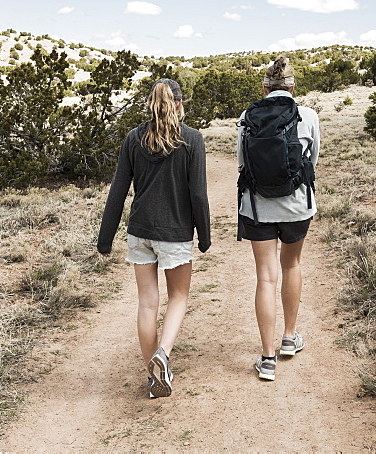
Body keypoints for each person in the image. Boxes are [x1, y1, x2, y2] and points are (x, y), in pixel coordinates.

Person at [97, 78, 211, 399]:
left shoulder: (134, 139)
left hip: (140, 232)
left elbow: (118, 191)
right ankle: (163, 355)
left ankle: (153, 377)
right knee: (178, 297)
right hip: (175, 234)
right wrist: (203, 236)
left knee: (148, 302)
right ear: (178, 104)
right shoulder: (192, 139)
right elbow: (199, 196)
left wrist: (105, 239)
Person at [236, 56, 320, 381]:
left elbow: (242, 163)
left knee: (265, 277)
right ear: (293, 86)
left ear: (264, 87)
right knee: (292, 265)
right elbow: (313, 159)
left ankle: (267, 359)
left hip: (257, 209)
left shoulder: (247, 116)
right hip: (297, 206)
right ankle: (289, 337)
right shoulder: (308, 115)